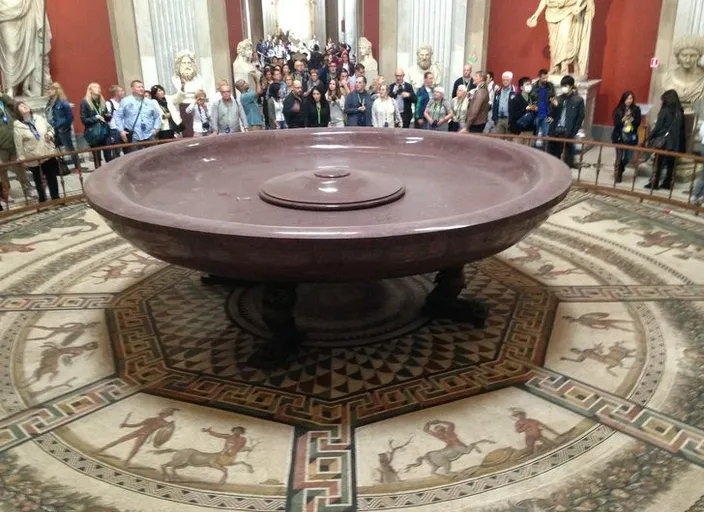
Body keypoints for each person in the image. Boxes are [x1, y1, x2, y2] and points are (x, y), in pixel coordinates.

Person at [13, 101, 60, 203]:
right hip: (34, 156)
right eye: (21, 106)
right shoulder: (17, 126)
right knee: (39, 181)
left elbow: (50, 128)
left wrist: (50, 134)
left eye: (24, 104)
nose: (24, 106)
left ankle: (56, 198)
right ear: (18, 112)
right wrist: (22, 158)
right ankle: (42, 200)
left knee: (52, 178)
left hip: (47, 152)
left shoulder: (38, 118)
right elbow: (18, 145)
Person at [646, 89, 685, 190]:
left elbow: (658, 127)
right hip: (675, 142)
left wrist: (649, 136)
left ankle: (654, 183)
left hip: (663, 141)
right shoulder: (680, 111)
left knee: (658, 162)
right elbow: (681, 128)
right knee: (671, 165)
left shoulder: (665, 111)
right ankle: (668, 183)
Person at [0, 88, 33, 201]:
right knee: (2, 170)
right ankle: (5, 193)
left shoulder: (6, 103)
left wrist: (3, 97)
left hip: (14, 141)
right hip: (1, 146)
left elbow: (16, 104)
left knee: (19, 167)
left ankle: (27, 188)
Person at [114, 80, 162, 153]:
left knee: (153, 157)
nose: (141, 89)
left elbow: (157, 116)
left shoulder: (149, 102)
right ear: (132, 89)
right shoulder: (125, 101)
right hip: (134, 136)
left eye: (142, 87)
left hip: (149, 135)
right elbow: (118, 117)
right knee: (135, 159)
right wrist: (121, 131)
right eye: (138, 87)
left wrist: (156, 129)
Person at [548, 75, 585, 169]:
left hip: (567, 131)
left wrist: (574, 131)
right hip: (555, 130)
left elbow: (580, 117)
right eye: (562, 86)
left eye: (566, 86)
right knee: (552, 155)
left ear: (571, 86)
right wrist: (555, 106)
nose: (564, 88)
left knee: (567, 157)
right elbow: (550, 115)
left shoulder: (578, 100)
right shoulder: (558, 98)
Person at [45, 82, 81, 171]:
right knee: (57, 149)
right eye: (48, 89)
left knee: (70, 148)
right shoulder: (49, 103)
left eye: (51, 89)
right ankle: (62, 167)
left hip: (62, 129)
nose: (49, 91)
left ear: (56, 91)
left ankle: (77, 167)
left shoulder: (63, 102)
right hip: (53, 129)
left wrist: (63, 127)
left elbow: (70, 117)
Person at [611, 91, 641, 183]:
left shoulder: (636, 109)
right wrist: (623, 119)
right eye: (627, 98)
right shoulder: (618, 109)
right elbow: (616, 123)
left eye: (631, 98)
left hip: (630, 135)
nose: (629, 100)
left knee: (627, 157)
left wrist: (632, 120)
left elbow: (638, 122)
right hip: (619, 135)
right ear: (623, 99)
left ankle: (621, 168)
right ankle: (617, 175)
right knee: (619, 156)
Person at [80, 82, 112, 167]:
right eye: (95, 87)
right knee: (97, 158)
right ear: (90, 90)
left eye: (99, 87)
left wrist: (108, 116)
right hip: (93, 132)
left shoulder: (102, 101)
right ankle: (98, 176)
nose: (98, 89)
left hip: (105, 131)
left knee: (109, 155)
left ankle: (110, 174)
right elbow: (84, 119)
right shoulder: (85, 102)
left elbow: (106, 118)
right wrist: (96, 117)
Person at [531, 69, 556, 148]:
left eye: (546, 78)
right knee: (534, 136)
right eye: (543, 78)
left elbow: (553, 101)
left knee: (546, 137)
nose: (545, 80)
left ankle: (545, 154)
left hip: (546, 115)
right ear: (539, 77)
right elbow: (531, 100)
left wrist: (551, 114)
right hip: (536, 115)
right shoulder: (534, 87)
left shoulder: (551, 86)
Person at [509, 77, 538, 144]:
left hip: (530, 130)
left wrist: (536, 109)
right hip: (519, 131)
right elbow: (513, 115)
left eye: (530, 84)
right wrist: (525, 109)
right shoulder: (515, 99)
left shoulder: (533, 98)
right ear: (521, 87)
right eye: (527, 84)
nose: (529, 86)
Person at [105, 85, 125, 159]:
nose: (123, 92)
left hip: (124, 129)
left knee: (127, 150)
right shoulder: (109, 103)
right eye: (121, 91)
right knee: (117, 152)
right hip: (114, 130)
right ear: (116, 93)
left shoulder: (123, 102)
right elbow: (107, 118)